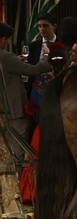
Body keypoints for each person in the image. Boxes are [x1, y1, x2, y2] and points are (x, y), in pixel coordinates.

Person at [0, 22, 51, 154]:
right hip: (13, 110)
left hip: (4, 110)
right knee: (18, 151)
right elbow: (35, 70)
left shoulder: (8, 58)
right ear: (2, 39)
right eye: (7, 39)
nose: (7, 43)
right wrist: (46, 56)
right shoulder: (6, 57)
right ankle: (20, 175)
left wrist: (16, 61)